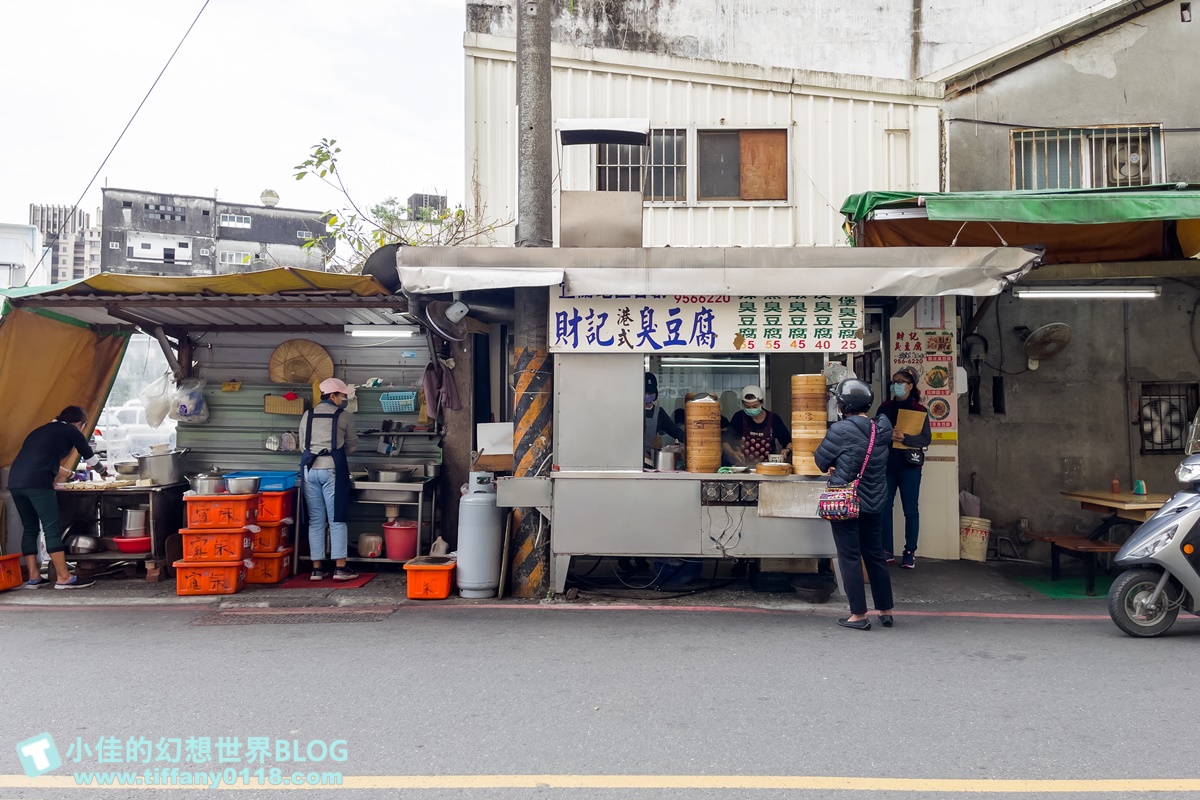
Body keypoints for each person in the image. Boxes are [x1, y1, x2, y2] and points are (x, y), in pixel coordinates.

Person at [813, 379, 895, 630]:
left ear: (843, 405)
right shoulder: (881, 429)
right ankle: (886, 610)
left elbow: (820, 460)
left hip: (847, 500)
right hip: (875, 500)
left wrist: (835, 465)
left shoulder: (840, 430)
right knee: (875, 555)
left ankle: (858, 615)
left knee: (849, 556)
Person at [9, 406, 106, 589]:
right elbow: (89, 456)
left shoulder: (40, 431)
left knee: (30, 528)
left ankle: (34, 577)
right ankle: (63, 577)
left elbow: (41, 461)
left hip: (15, 482)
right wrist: (103, 472)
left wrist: (71, 474)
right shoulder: (71, 430)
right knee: (51, 528)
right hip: (38, 484)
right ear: (80, 424)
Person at [299, 378, 359, 581]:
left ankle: (317, 569)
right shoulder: (344, 416)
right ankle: (340, 568)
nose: (344, 398)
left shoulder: (308, 414)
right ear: (332, 396)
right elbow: (352, 445)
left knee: (315, 520)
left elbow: (303, 445)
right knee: (336, 519)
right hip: (332, 469)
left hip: (309, 470)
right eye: (342, 395)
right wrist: (335, 454)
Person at [878, 366, 932, 569]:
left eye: (900, 382)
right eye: (894, 382)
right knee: (884, 508)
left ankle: (910, 551)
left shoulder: (919, 410)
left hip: (910, 466)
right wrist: (888, 435)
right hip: (887, 464)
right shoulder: (884, 408)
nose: (896, 385)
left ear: (910, 386)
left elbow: (926, 439)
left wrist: (905, 438)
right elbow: (875, 433)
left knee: (910, 509)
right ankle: (886, 549)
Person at [723, 385, 791, 467]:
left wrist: (786, 450)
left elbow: (789, 442)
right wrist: (733, 453)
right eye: (747, 407)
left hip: (767, 468)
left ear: (761, 402)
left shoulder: (774, 419)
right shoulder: (739, 417)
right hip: (744, 468)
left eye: (755, 406)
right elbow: (726, 442)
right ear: (743, 404)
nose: (751, 409)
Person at [643, 373, 685, 452]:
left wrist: (688, 440)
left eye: (651, 393)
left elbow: (674, 430)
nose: (648, 395)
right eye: (646, 393)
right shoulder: (634, 411)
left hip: (651, 455)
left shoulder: (659, 412)